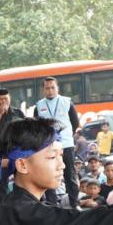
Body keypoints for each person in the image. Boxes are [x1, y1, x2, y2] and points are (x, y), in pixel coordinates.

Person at [34, 77, 81, 208]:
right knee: (49, 175)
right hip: (48, 146)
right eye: (47, 88)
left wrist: (65, 137)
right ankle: (52, 205)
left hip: (66, 144)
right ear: (43, 90)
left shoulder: (67, 102)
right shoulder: (39, 106)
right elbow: (37, 126)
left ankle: (74, 204)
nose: (50, 90)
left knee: (70, 175)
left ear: (57, 88)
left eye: (52, 87)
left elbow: (75, 122)